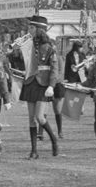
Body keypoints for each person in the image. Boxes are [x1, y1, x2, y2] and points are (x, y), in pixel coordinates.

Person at [10, 15, 60, 159]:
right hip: (30, 82)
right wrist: (15, 50)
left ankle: (54, 140)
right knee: (31, 119)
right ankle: (34, 151)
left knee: (40, 117)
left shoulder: (50, 48)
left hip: (43, 85)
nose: (29, 30)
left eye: (31, 27)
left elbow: (54, 69)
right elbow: (18, 62)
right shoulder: (28, 45)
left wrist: (51, 85)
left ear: (40, 30)